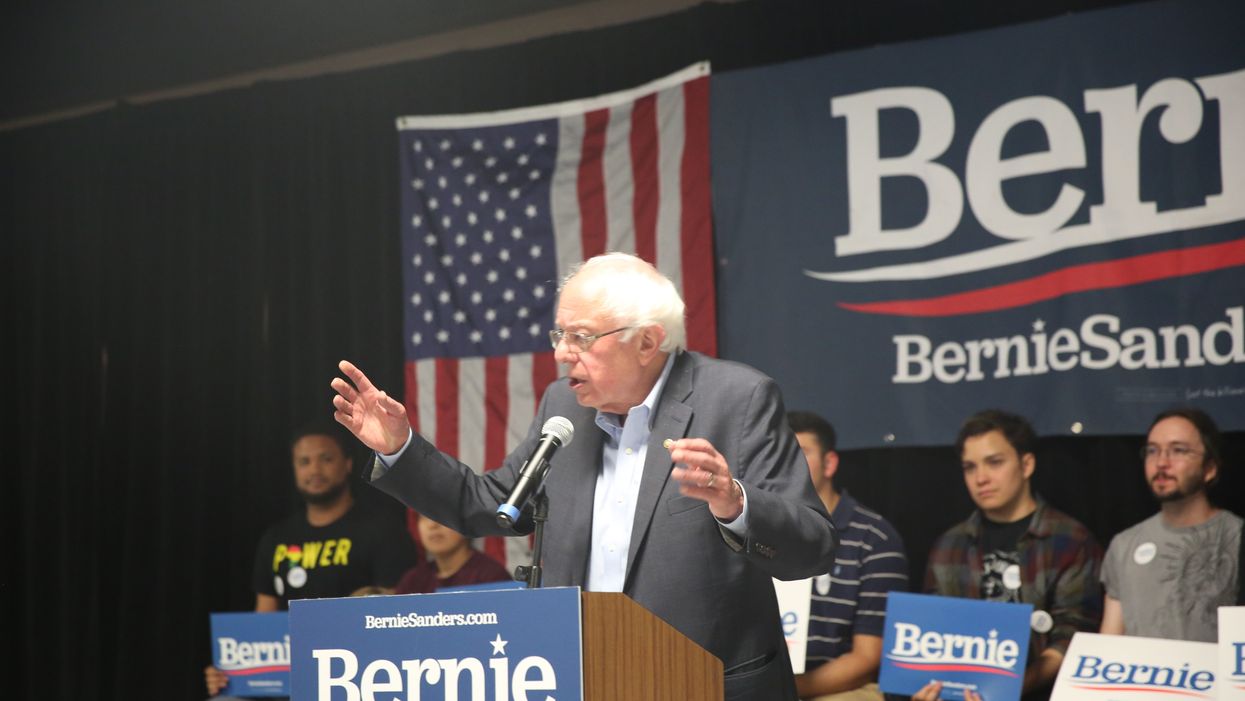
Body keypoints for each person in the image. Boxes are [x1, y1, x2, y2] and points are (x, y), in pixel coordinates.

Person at [331, 252, 838, 701]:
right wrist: (399, 448)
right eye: (560, 334)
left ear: (647, 341)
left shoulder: (737, 399)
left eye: (581, 337)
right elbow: (492, 502)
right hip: (583, 677)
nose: (561, 353)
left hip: (705, 682)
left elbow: (813, 546)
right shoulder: (564, 405)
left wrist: (735, 503)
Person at [204, 423, 418, 697]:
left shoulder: (382, 530)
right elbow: (263, 623)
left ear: (348, 464)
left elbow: (396, 619)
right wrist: (234, 672)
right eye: (304, 462)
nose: (314, 470)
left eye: (325, 459)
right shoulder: (276, 538)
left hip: (359, 675)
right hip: (288, 676)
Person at [917, 410, 1102, 701]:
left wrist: (1007, 690)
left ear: (1026, 465)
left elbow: (1073, 638)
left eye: (995, 462)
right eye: (970, 467)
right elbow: (931, 634)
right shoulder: (949, 545)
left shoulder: (1070, 540)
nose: (981, 478)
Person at [788, 411, 908, 701]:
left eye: (800, 453)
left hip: (847, 689)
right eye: (778, 454)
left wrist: (785, 690)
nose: (787, 464)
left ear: (829, 463)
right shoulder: (759, 531)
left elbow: (867, 658)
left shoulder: (874, 537)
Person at [1099, 407, 1241, 641]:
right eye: (1152, 450)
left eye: (1178, 450)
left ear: (1209, 468)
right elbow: (1110, 640)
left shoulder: (1237, 537)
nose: (1162, 462)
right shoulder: (1124, 545)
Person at [393, 513, 512, 594]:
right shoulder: (412, 581)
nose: (432, 525)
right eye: (424, 516)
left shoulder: (492, 577)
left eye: (443, 515)